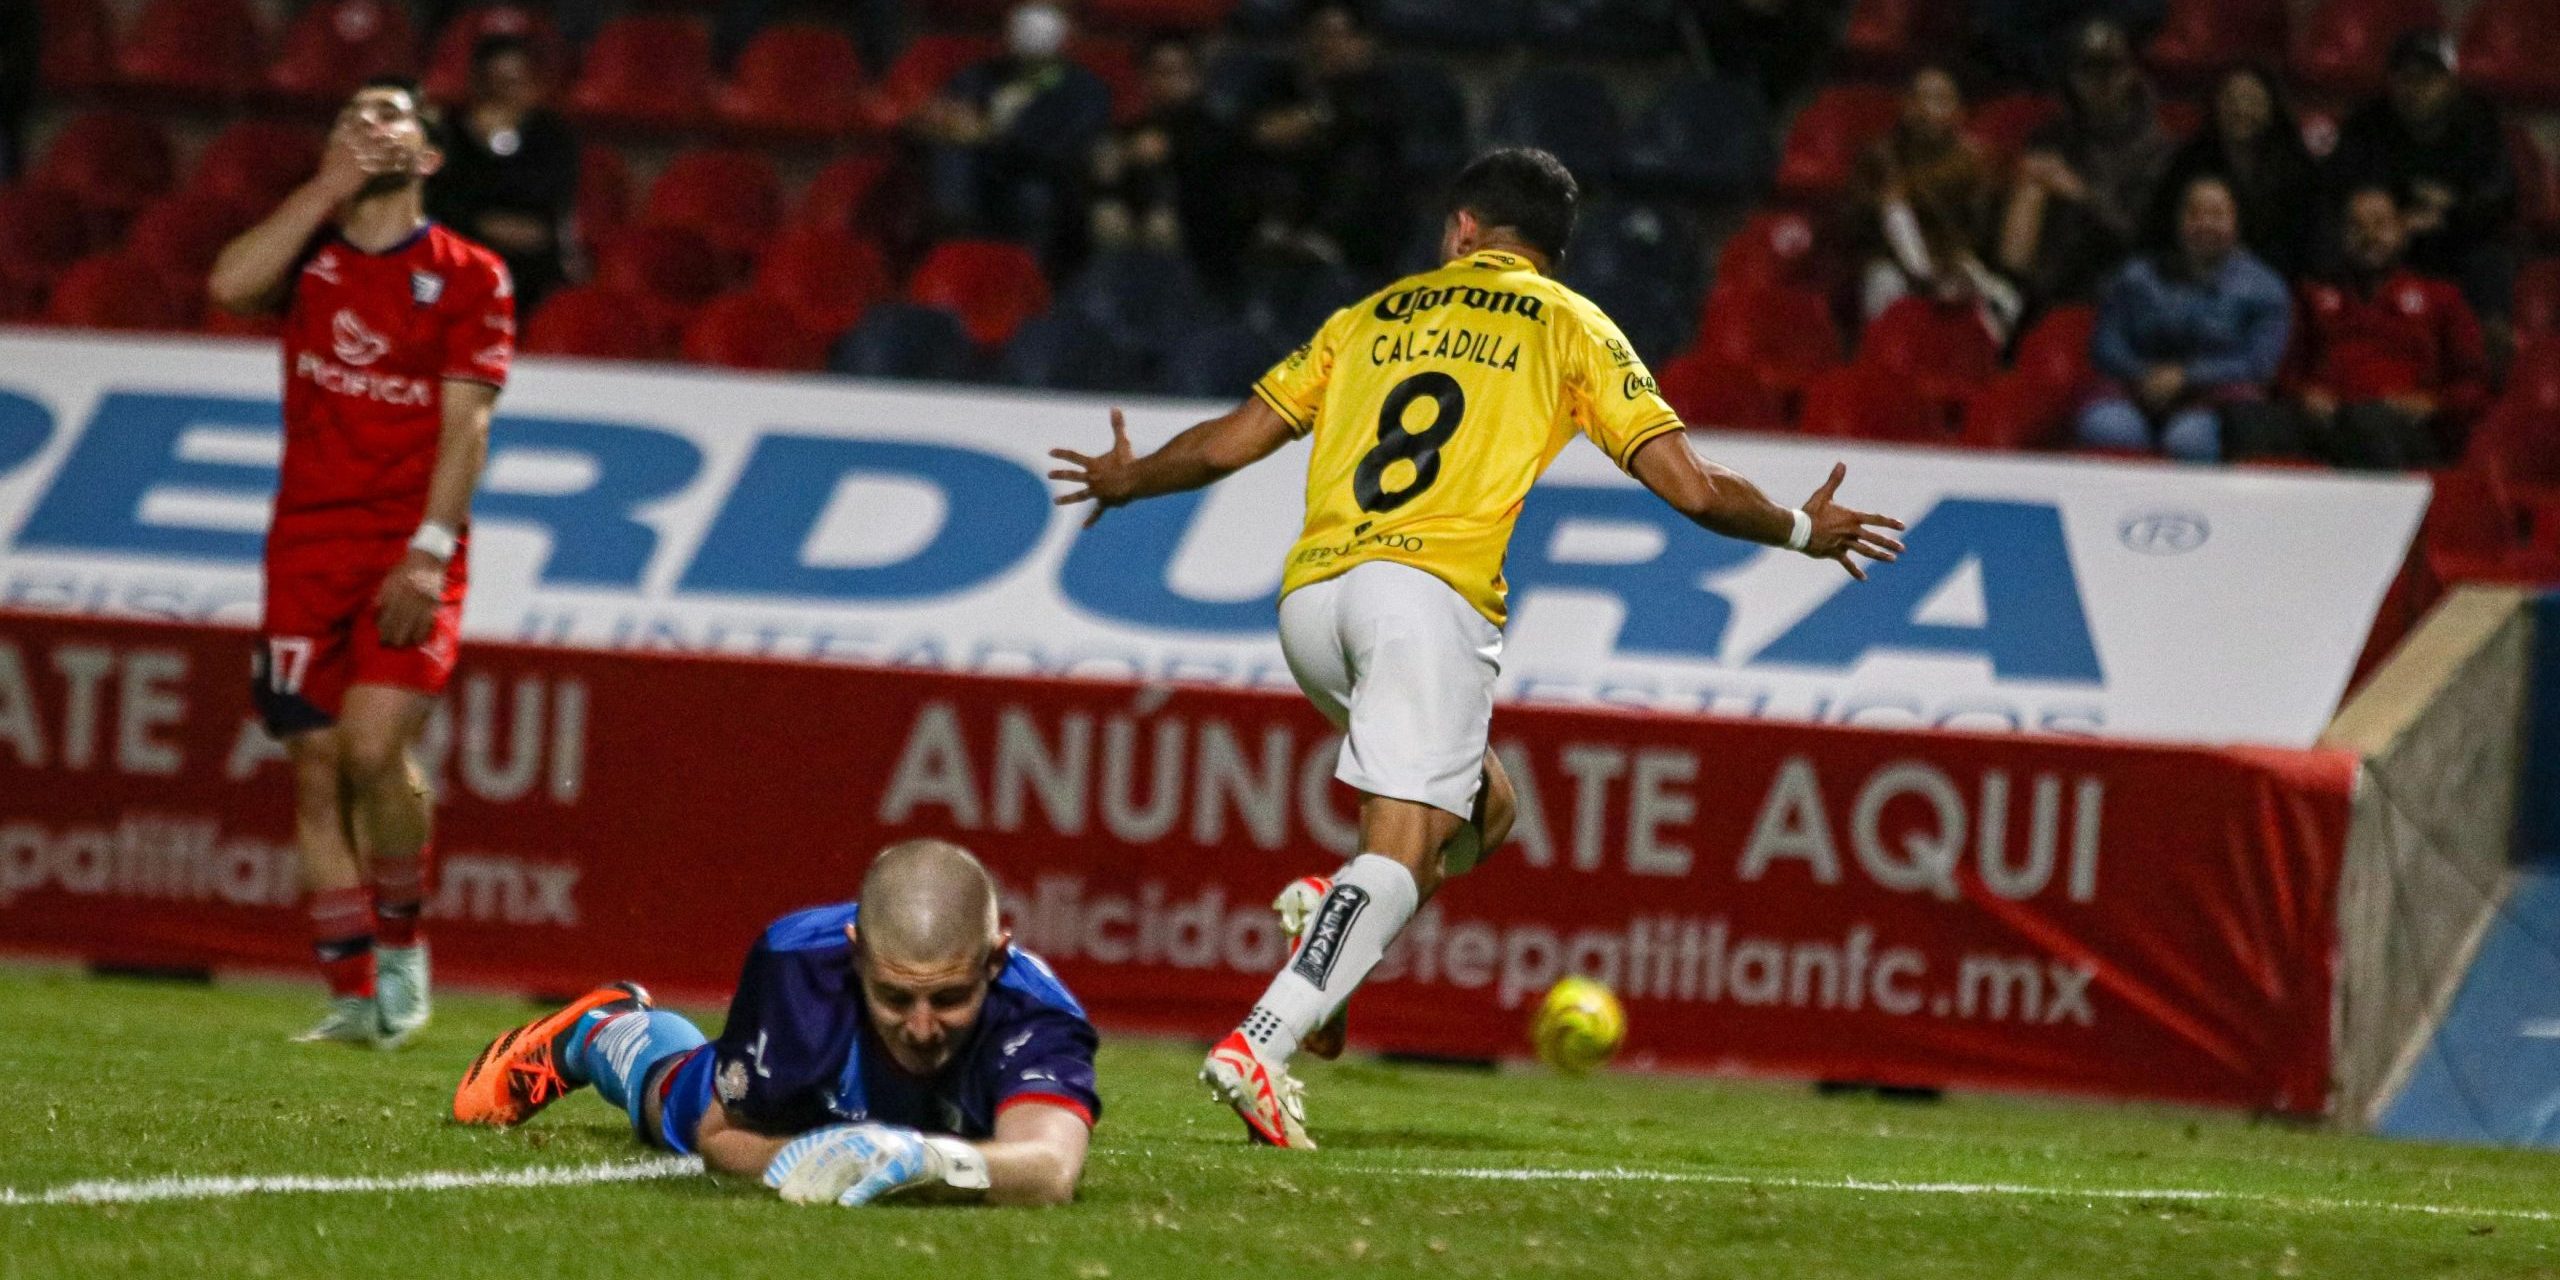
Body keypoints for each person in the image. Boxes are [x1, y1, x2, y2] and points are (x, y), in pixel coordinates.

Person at [1045, 148, 1905, 1148]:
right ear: (1548, 246)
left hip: (1312, 601)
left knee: (1484, 809)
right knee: (1403, 846)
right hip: (1425, 598)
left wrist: (1127, 477)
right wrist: (1802, 527)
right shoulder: (1570, 324)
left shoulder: (1367, 316)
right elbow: (1693, 488)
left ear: (1462, 229)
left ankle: (1330, 934)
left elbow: (1232, 440)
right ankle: (1262, 1042)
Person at [206, 79, 514, 1048]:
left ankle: (403, 943)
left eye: (390, 116)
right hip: (304, 544)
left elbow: (468, 424)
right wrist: (318, 189)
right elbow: (226, 285)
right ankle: (350, 995)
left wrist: (429, 549)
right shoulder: (307, 259)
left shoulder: (470, 273)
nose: (367, 127)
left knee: (376, 749)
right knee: (314, 768)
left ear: (426, 156)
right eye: (351, 117)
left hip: (404, 542)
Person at [452, 840, 1097, 1208]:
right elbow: (721, 1136)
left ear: (995, 959)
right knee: (668, 1102)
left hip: (926, 1142)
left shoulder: (1038, 1013)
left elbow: (1049, 1168)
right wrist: (799, 1163)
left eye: (951, 998)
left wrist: (920, 1159)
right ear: (856, 955)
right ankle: (596, 1030)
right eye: (895, 998)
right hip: (799, 1109)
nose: (922, 1027)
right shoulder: (797, 967)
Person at [2266, 184, 2490, 469]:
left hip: (2405, 432)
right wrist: (2306, 396)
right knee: (2249, 420)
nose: (2369, 236)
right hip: (2328, 424)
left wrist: (2432, 403)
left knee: (2367, 420)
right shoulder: (2314, 296)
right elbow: (2287, 378)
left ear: (2401, 231)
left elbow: (2475, 387)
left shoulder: (2441, 297)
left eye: (2380, 224)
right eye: (2356, 227)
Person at [2076, 174, 2290, 462]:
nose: (2205, 223)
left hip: (2215, 401)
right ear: (2177, 220)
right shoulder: (2136, 276)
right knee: (2103, 426)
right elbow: (2106, 345)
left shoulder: (2265, 287)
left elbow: (2259, 365)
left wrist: (2186, 376)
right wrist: (2146, 376)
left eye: (2216, 214)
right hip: (2137, 392)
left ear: (2237, 221)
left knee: (2188, 439)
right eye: (2194, 213)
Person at [2327, 30, 2518, 319]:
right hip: (2381, 238)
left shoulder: (2479, 124)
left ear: (2450, 83)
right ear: (2391, 81)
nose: (2415, 88)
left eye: (2427, 79)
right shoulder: (2366, 124)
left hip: (2455, 239)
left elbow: (2499, 199)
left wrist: (2448, 215)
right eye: (2406, 77)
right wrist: (2393, 221)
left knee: (2492, 260)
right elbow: (2341, 188)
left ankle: (2484, 349)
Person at [913, 1, 1111, 265]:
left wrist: (993, 135)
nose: (1032, 27)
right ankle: (954, 255)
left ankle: (1022, 278)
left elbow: (1059, 151)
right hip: (979, 176)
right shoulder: (980, 76)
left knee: (1032, 197)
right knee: (951, 157)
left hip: (1038, 179)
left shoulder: (1083, 91)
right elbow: (942, 116)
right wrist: (941, 118)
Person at [1998, 18, 2175, 309]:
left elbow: (2144, 237)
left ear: (2131, 73)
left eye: (2111, 71)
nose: (2101, 83)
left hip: (2122, 282)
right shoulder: (2050, 138)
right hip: (2046, 283)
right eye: (2089, 72)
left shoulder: (2157, 151)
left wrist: (2081, 194)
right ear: (2073, 77)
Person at [1851, 65, 2020, 344]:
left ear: (1958, 111)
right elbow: (1860, 224)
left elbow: (1980, 228)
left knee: (2008, 302)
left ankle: (1974, 366)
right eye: (1920, 98)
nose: (1927, 109)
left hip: (1953, 258)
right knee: (1883, 285)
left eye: (1940, 100)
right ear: (1906, 105)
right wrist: (1921, 270)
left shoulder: (1974, 161)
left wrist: (1955, 262)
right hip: (1894, 263)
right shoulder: (1879, 156)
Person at [1245, 4, 1405, 274]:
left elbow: (1379, 126)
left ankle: (1325, 238)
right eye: (1322, 33)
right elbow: (1255, 127)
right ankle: (1274, 230)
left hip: (1354, 215)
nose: (1331, 45)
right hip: (1292, 192)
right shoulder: (1280, 82)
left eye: (1341, 35)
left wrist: (1317, 120)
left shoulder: (1379, 87)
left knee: (1364, 157)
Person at [426, 34, 579, 312]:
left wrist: (519, 227)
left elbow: (554, 194)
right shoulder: (449, 134)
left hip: (533, 261)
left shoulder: (551, 135)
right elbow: (440, 199)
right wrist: (481, 225)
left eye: (516, 82)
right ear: (479, 83)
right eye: (497, 84)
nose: (507, 94)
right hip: (464, 254)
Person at [1090, 36, 1250, 293]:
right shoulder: (1130, 130)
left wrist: (1171, 150)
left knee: (1162, 228)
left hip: (1203, 235)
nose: (1169, 82)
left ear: (1195, 77)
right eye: (1160, 72)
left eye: (1177, 72)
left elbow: (1219, 185)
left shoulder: (1216, 127)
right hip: (1135, 229)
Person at [2150, 66, 2319, 279]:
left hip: (2277, 281)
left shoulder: (2295, 167)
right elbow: (2160, 231)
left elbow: (2308, 241)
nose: (2241, 109)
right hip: (2195, 281)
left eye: (2252, 100)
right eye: (2232, 99)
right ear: (2216, 104)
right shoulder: (2190, 162)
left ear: (2272, 107)